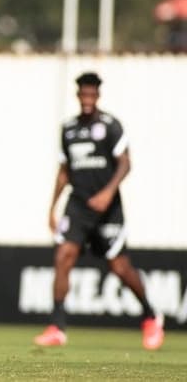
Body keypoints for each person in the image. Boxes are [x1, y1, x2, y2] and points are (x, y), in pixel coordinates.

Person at [34, 72, 165, 350]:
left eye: (92, 94)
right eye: (84, 94)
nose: (87, 99)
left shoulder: (110, 125)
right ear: (78, 95)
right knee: (63, 256)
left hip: (108, 209)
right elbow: (64, 172)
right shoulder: (69, 129)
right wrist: (52, 208)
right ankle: (57, 326)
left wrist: (107, 193)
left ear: (98, 96)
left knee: (119, 267)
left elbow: (125, 163)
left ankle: (151, 316)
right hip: (78, 205)